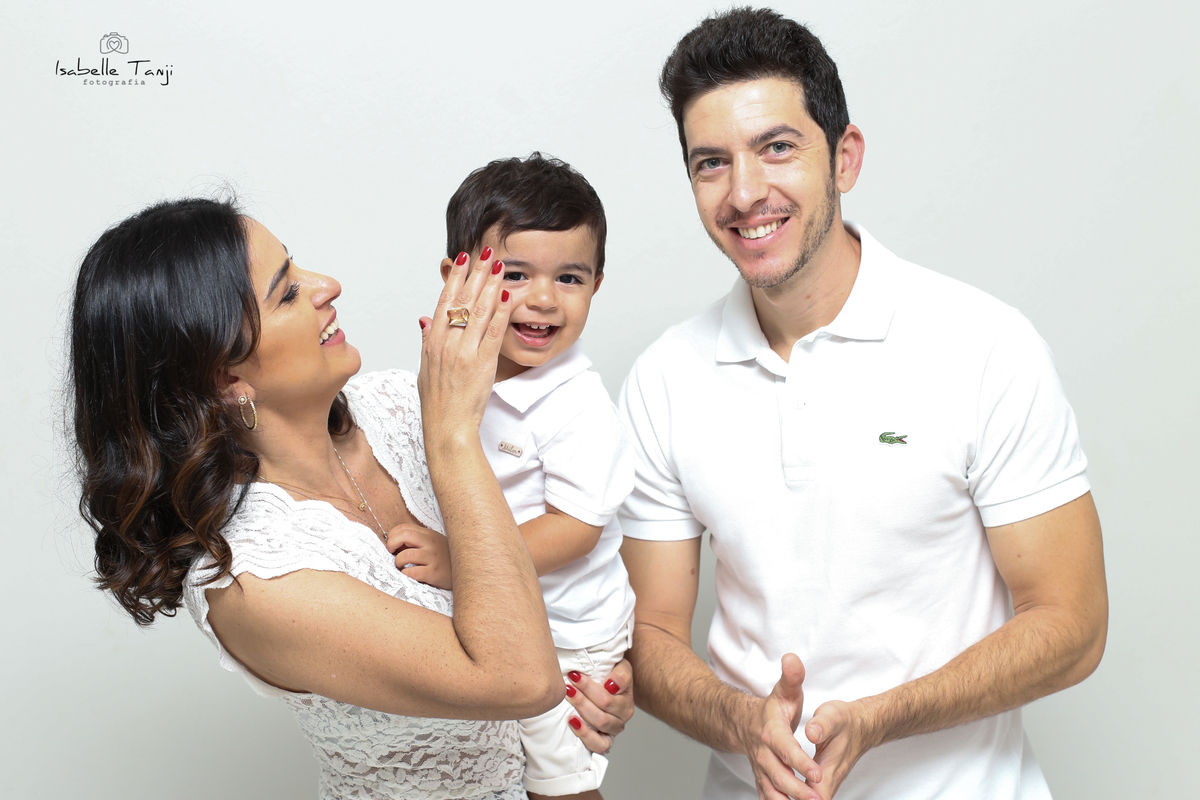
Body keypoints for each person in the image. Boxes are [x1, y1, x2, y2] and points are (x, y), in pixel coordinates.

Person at [617, 8, 1108, 800]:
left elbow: (1073, 624)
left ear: (844, 158)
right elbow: (650, 634)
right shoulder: (664, 378)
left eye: (777, 148)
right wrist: (741, 722)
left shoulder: (983, 344)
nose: (745, 193)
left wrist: (880, 718)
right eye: (711, 163)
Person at [69, 197, 632, 800]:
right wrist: (453, 438)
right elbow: (520, 681)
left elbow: (556, 552)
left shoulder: (401, 403)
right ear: (227, 379)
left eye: (297, 265)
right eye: (287, 292)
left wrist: (599, 669)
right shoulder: (254, 583)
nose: (328, 285)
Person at [396, 153, 634, 800]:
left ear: (596, 285)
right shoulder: (456, 373)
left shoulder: (578, 405)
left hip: (570, 638)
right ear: (457, 277)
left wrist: (459, 561)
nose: (544, 299)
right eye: (516, 274)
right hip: (505, 617)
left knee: (555, 781)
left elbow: (576, 529)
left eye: (570, 277)